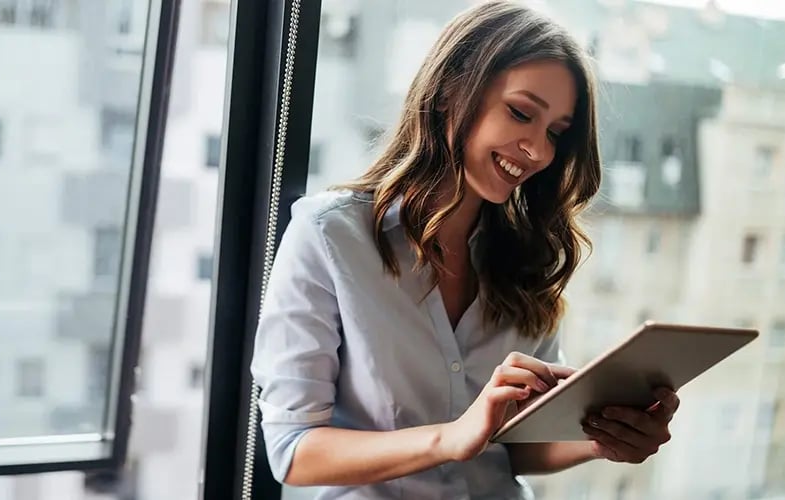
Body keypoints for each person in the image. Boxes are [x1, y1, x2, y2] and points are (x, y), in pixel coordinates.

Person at [250, 2, 679, 498]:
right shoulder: (329, 236)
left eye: (556, 134)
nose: (538, 152)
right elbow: (294, 450)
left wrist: (603, 438)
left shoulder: (528, 257)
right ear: (452, 89)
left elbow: (515, 446)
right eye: (521, 113)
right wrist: (450, 438)